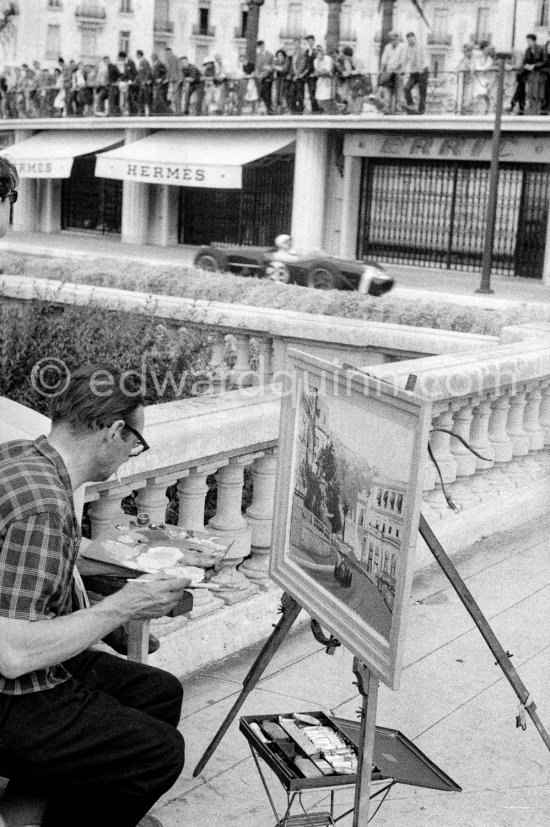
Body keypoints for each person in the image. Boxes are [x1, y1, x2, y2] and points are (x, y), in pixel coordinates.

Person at [379, 31, 406, 114]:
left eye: (394, 39)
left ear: (398, 39)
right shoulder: (387, 47)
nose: (392, 41)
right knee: (387, 90)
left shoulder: (402, 47)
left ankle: (398, 108)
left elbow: (402, 61)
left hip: (398, 72)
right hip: (388, 72)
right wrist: (381, 71)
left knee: (398, 91)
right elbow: (384, 59)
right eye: (391, 39)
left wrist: (396, 70)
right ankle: (387, 108)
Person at [403, 32, 429, 114]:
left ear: (415, 39)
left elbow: (418, 59)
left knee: (422, 92)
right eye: (409, 40)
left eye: (412, 40)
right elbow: (406, 60)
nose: (410, 42)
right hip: (414, 72)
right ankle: (411, 105)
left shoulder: (419, 47)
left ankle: (421, 110)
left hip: (423, 71)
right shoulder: (407, 48)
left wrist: (419, 69)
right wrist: (402, 70)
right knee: (406, 88)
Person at [313, 44, 335, 114]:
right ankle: (325, 111)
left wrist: (321, 72)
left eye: (319, 53)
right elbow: (316, 72)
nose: (318, 55)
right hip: (320, 81)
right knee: (319, 98)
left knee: (327, 98)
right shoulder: (316, 61)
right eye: (316, 54)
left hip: (328, 81)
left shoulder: (328, 59)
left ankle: (329, 112)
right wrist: (321, 72)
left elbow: (328, 70)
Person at [255, 40, 274, 114]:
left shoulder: (270, 55)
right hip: (259, 79)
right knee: (260, 94)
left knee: (267, 94)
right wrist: (257, 75)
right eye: (259, 46)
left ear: (264, 45)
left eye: (262, 45)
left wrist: (262, 75)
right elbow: (256, 67)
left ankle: (269, 109)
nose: (261, 47)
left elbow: (270, 67)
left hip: (267, 78)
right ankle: (262, 110)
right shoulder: (257, 55)